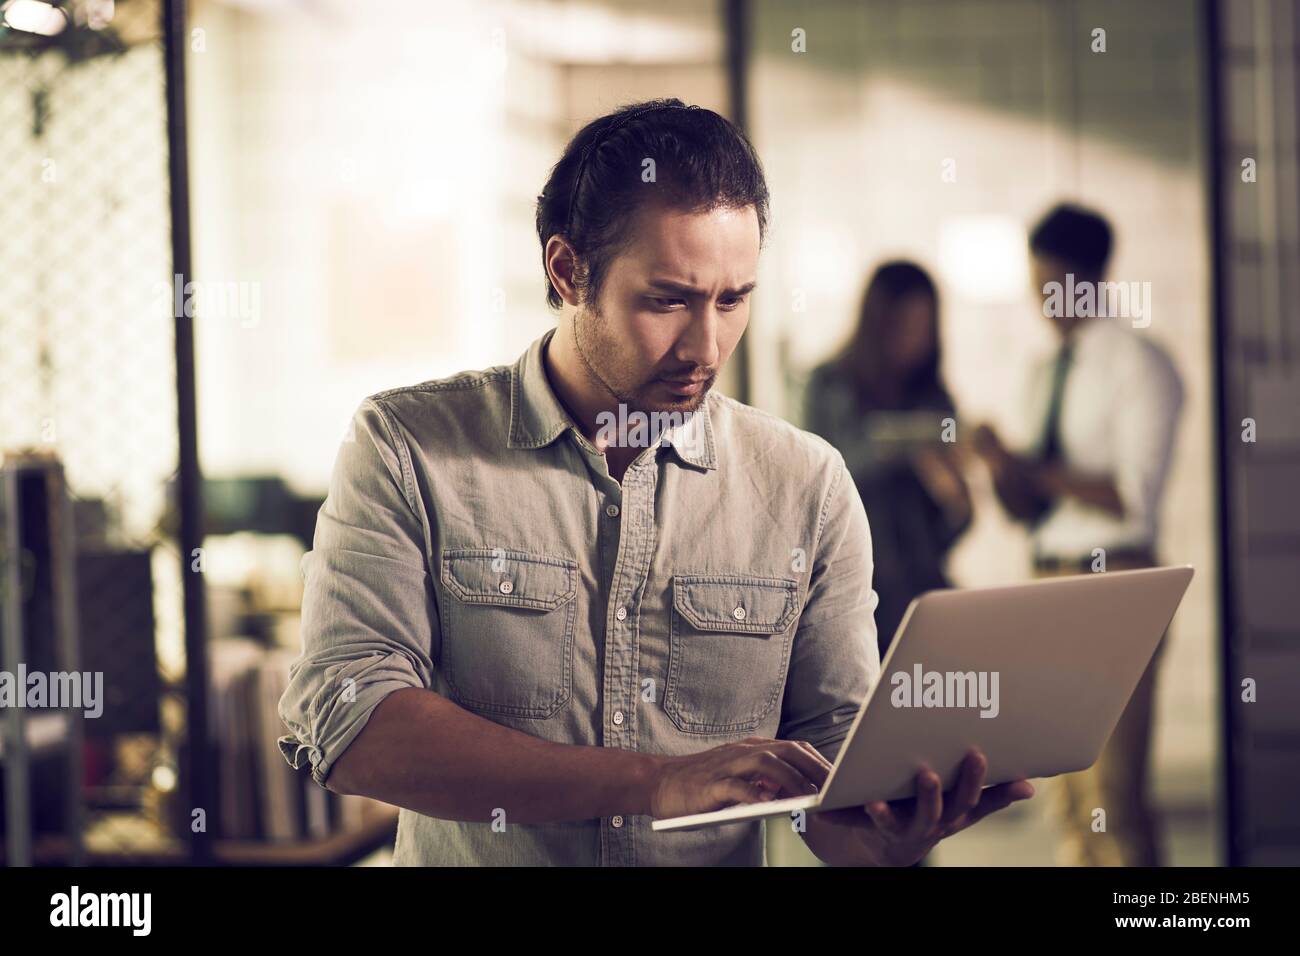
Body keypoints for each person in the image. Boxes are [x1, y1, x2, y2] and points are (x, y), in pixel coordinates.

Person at [278, 98, 1033, 866]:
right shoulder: (409, 447)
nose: (705, 346)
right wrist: (653, 783)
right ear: (569, 272)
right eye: (668, 299)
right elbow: (350, 725)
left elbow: (828, 789)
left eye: (733, 299)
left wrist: (888, 831)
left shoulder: (807, 485)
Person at [972, 202, 1183, 867]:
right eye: (1036, 287)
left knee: (1113, 792)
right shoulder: (1042, 370)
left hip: (1117, 578)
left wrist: (1032, 468)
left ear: (1093, 276)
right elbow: (1027, 504)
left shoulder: (1142, 365)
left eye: (1052, 286)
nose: (1043, 303)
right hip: (1048, 577)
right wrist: (1001, 466)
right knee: (1066, 799)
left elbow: (1130, 494)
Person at [805, 262, 972, 659]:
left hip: (922, 597)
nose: (913, 341)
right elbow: (821, 482)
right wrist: (907, 450)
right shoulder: (828, 385)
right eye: (903, 326)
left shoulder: (934, 398)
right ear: (877, 324)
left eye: (923, 328)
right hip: (845, 593)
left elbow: (951, 530)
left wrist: (955, 499)